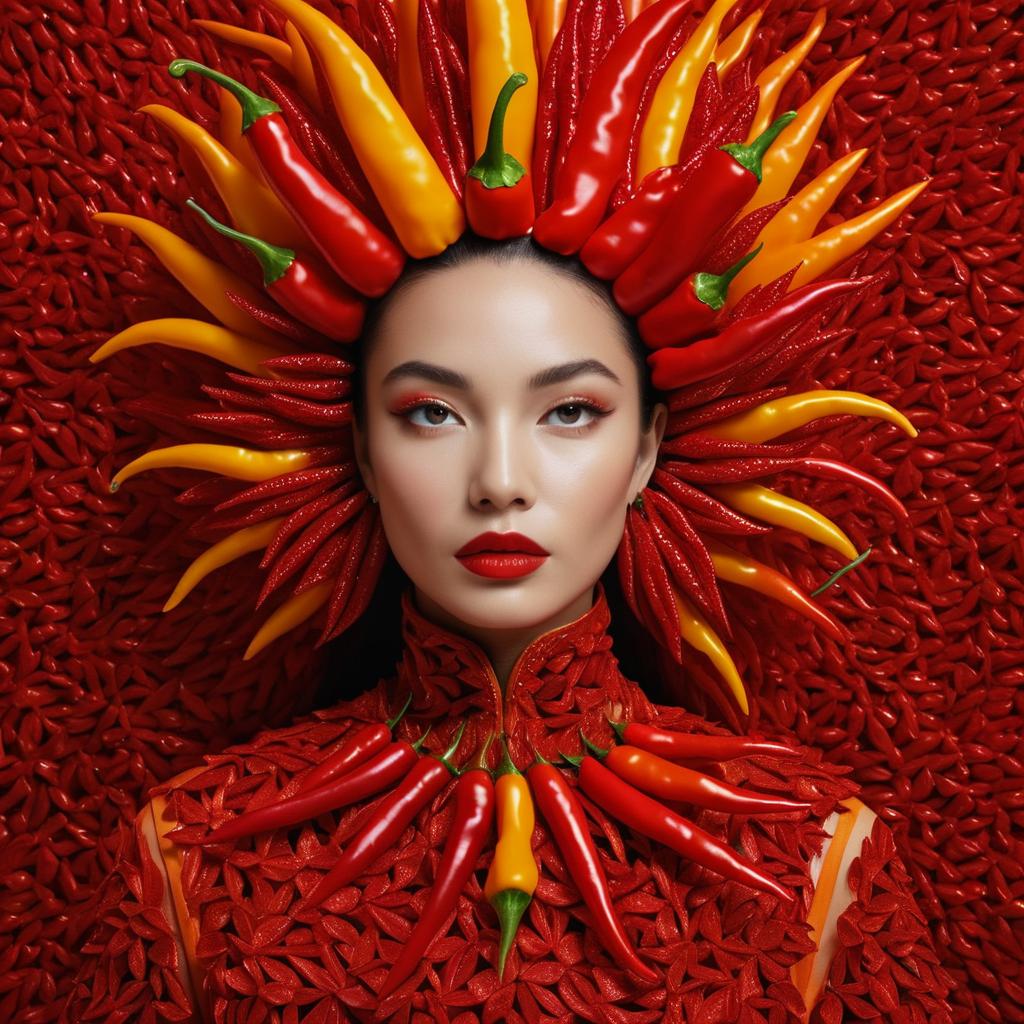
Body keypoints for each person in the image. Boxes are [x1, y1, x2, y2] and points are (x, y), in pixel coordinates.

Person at [62, 1, 953, 1021]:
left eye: (569, 411)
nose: (498, 478)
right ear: (355, 448)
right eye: (431, 411)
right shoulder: (197, 864)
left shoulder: (811, 861)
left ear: (649, 450)